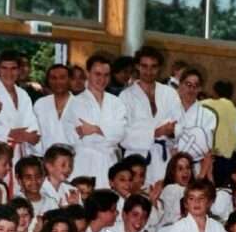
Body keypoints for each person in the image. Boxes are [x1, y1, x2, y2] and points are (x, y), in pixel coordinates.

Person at [63, 55, 127, 189]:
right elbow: (76, 137)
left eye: (106, 75)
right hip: (84, 162)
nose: (102, 79)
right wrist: (107, 132)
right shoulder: (76, 103)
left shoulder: (116, 102)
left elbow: (120, 133)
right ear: (88, 73)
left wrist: (96, 129)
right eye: (97, 74)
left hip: (109, 163)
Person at [120, 46, 180, 185]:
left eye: (153, 67)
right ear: (137, 66)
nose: (149, 71)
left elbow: (179, 125)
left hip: (164, 158)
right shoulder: (126, 96)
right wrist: (156, 132)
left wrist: (172, 132)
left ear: (159, 68)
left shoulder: (169, 93)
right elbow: (123, 135)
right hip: (136, 160)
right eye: (144, 66)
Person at [0, 51, 40, 170]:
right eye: (4, 68)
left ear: (19, 71)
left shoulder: (23, 94)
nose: (9, 73)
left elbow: (33, 130)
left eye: (13, 68)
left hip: (20, 154)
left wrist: (27, 136)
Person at [33, 64, 74, 149]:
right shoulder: (40, 104)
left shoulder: (81, 105)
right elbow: (34, 134)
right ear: (48, 81)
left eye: (62, 78)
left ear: (70, 79)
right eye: (53, 78)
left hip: (75, 158)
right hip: (46, 158)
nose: (58, 82)